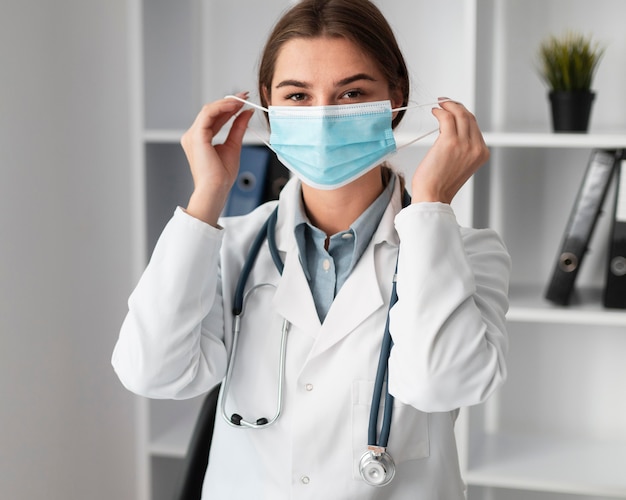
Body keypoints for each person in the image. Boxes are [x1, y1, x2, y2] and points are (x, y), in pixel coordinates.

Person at [112, 0, 511, 498]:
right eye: (298, 95)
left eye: (352, 93)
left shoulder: (467, 254)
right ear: (267, 104)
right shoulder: (228, 247)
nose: (323, 116)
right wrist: (206, 199)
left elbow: (442, 384)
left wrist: (430, 207)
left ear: (395, 99)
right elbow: (152, 373)